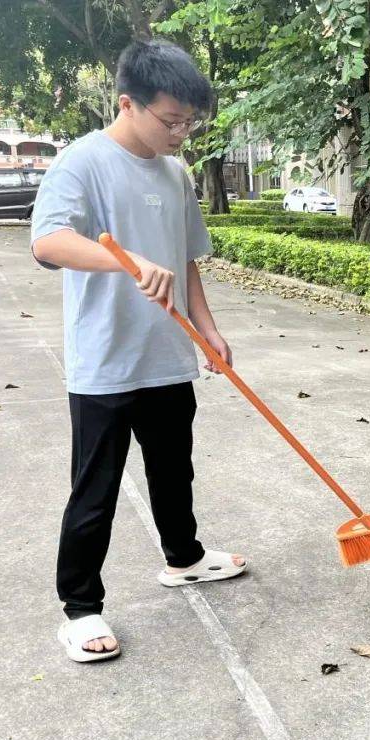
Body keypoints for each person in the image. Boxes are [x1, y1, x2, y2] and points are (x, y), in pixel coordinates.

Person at [31, 39, 247, 663]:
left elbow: (186, 258)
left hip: (166, 355)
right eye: (172, 120)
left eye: (191, 121)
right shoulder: (82, 163)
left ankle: (185, 558)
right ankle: (79, 607)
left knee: (174, 472)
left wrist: (206, 327)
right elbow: (48, 243)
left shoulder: (177, 175)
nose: (183, 133)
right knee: (94, 489)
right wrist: (125, 266)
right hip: (105, 363)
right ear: (128, 104)